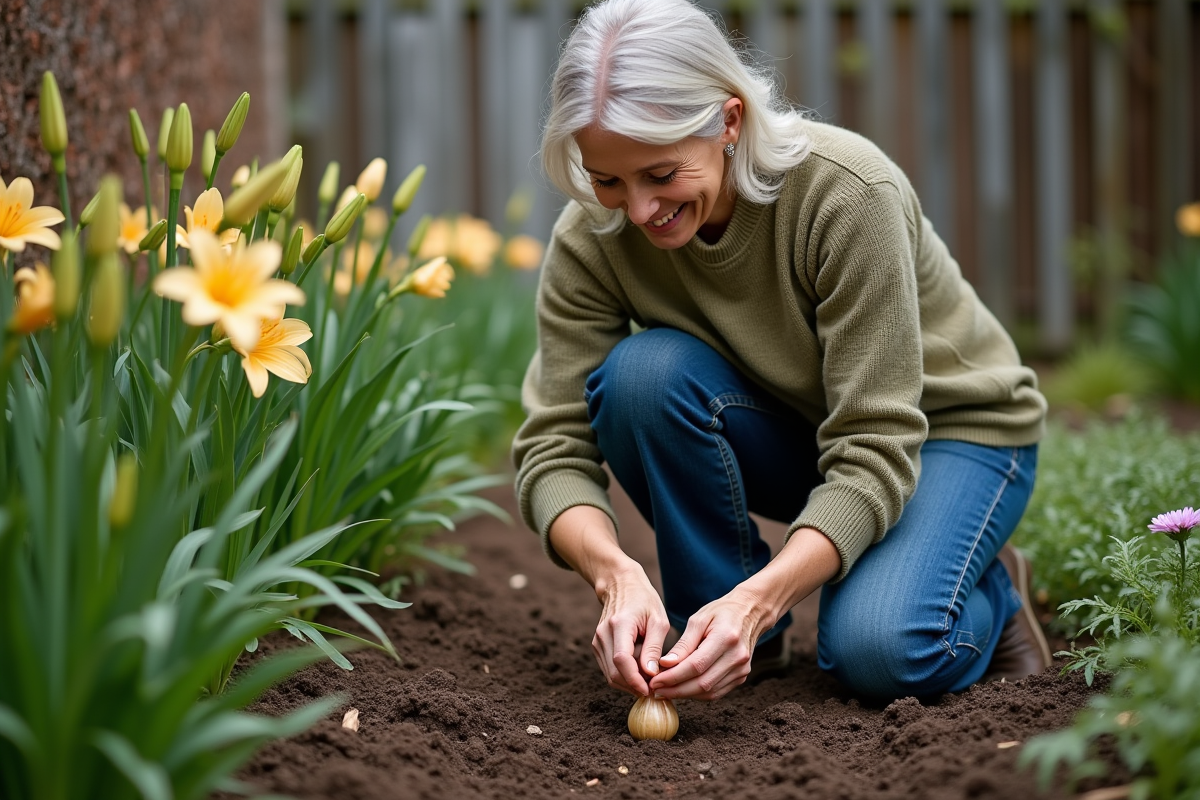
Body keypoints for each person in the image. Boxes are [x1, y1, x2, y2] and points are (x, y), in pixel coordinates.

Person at [512, 0, 1051, 703]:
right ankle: (732, 642)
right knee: (641, 379)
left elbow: (874, 444)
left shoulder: (847, 195)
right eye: (608, 180)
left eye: (662, 174)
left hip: (949, 435)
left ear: (729, 122)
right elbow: (554, 445)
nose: (637, 211)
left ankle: (990, 588)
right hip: (811, 432)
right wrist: (616, 573)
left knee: (880, 653)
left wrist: (763, 595)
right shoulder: (594, 238)